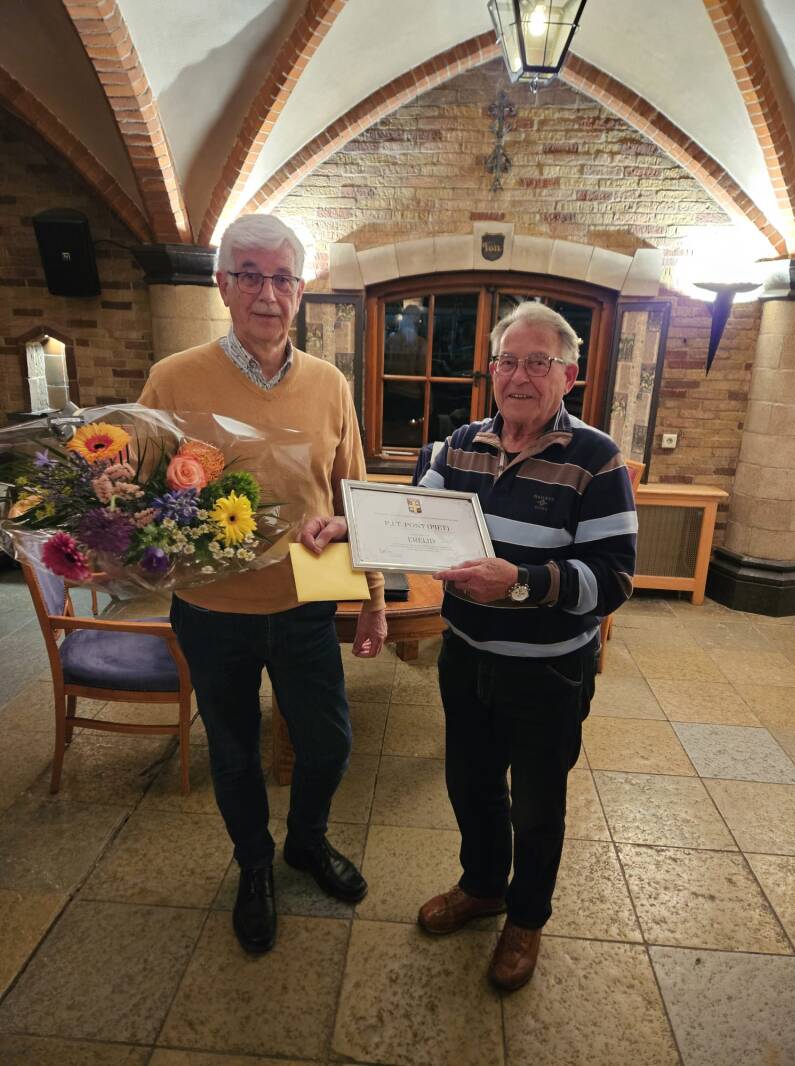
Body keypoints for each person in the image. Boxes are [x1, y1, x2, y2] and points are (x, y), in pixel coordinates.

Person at [138, 214, 387, 955]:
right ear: (223, 285)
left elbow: (354, 498)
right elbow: (139, 490)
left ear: (300, 291)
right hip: (211, 609)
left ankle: (305, 841)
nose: (267, 294)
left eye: (282, 278)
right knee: (234, 750)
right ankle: (254, 865)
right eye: (250, 275)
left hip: (307, 599)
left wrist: (374, 599)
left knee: (329, 744)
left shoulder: (329, 383)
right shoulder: (173, 378)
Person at [412, 302, 637, 991]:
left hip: (548, 671)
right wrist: (349, 526)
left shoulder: (596, 460)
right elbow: (411, 517)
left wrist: (520, 582)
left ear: (569, 375)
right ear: (491, 370)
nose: (519, 376)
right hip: (465, 656)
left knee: (537, 806)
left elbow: (614, 579)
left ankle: (527, 918)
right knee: (470, 784)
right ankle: (483, 887)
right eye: (508, 361)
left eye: (538, 362)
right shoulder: (461, 444)